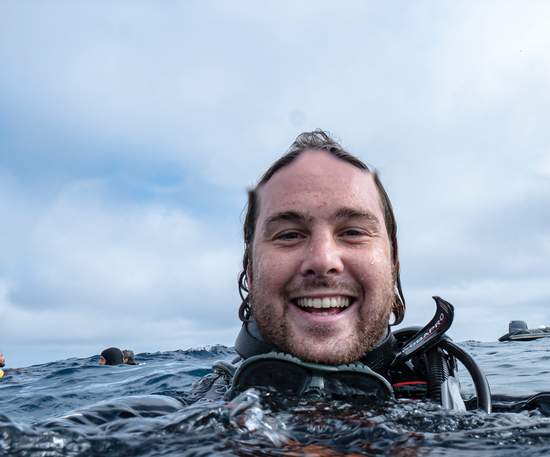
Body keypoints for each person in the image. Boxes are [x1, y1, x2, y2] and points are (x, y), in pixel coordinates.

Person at [184, 130, 488, 411]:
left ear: (393, 266)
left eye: (354, 232)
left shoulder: (471, 416)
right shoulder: (185, 418)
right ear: (249, 272)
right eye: (289, 234)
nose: (322, 260)